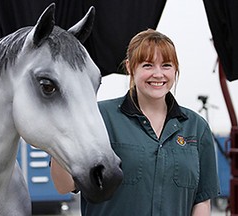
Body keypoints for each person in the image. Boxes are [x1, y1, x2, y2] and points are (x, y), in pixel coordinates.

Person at [50, 29, 220, 216]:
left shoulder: (196, 128)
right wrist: (64, 126)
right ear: (130, 67)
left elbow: (202, 201)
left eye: (166, 65)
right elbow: (63, 185)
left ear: (175, 69)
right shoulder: (99, 118)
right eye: (147, 65)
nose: (158, 74)